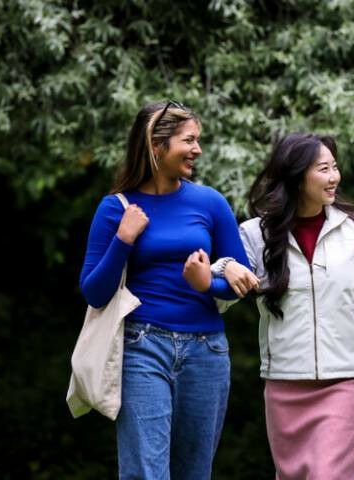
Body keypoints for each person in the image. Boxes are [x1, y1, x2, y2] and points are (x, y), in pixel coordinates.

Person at [203, 133, 354, 479]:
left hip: (345, 380)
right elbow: (221, 301)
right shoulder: (255, 233)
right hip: (285, 381)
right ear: (297, 176)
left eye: (335, 168)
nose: (334, 177)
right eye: (323, 169)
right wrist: (222, 267)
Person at [79, 101, 252, 479]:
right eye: (188, 140)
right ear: (157, 146)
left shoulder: (210, 202)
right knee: (146, 471)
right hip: (143, 347)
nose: (197, 150)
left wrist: (208, 283)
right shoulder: (116, 208)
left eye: (198, 140)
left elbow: (245, 282)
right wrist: (123, 239)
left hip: (207, 351)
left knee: (194, 472)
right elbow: (93, 292)